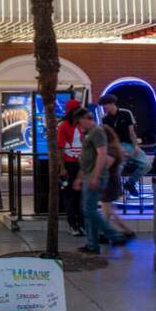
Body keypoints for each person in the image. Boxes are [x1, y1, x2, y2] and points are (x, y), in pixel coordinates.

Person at [72, 108, 132, 254]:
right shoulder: (89, 134)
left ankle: (115, 236)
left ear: (86, 118)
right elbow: (87, 159)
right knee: (88, 211)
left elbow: (102, 154)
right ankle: (92, 244)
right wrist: (80, 177)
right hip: (88, 176)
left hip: (94, 177)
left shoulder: (97, 132)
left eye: (80, 122)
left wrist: (96, 176)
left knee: (89, 210)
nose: (79, 126)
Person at [100, 125, 134, 239]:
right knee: (109, 210)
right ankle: (127, 231)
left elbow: (105, 166)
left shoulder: (110, 150)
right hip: (111, 181)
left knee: (107, 210)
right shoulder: (114, 147)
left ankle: (108, 233)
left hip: (109, 182)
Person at [56, 108, 86, 237]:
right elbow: (60, 149)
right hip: (68, 166)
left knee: (79, 195)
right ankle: (72, 224)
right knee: (68, 195)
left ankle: (81, 224)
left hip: (79, 165)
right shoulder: (63, 127)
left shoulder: (80, 127)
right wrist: (62, 168)